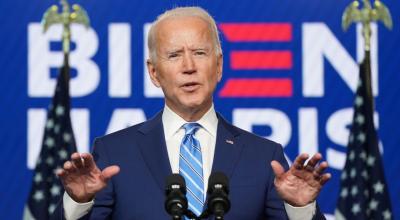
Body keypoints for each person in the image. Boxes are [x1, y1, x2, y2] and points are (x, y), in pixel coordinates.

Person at [52, 6, 331, 220]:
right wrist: (77, 205)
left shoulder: (263, 157)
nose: (189, 66)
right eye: (174, 55)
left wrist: (300, 208)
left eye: (199, 52)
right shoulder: (115, 153)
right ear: (153, 72)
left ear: (219, 66)